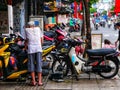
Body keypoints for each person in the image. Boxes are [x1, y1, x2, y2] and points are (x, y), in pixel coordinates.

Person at [24, 21, 43, 86]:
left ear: (28, 26)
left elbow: (26, 40)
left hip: (31, 49)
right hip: (38, 48)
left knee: (31, 64)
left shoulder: (26, 30)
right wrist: (39, 45)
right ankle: (40, 82)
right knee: (39, 63)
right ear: (34, 25)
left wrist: (25, 47)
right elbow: (41, 40)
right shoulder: (38, 29)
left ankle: (34, 81)